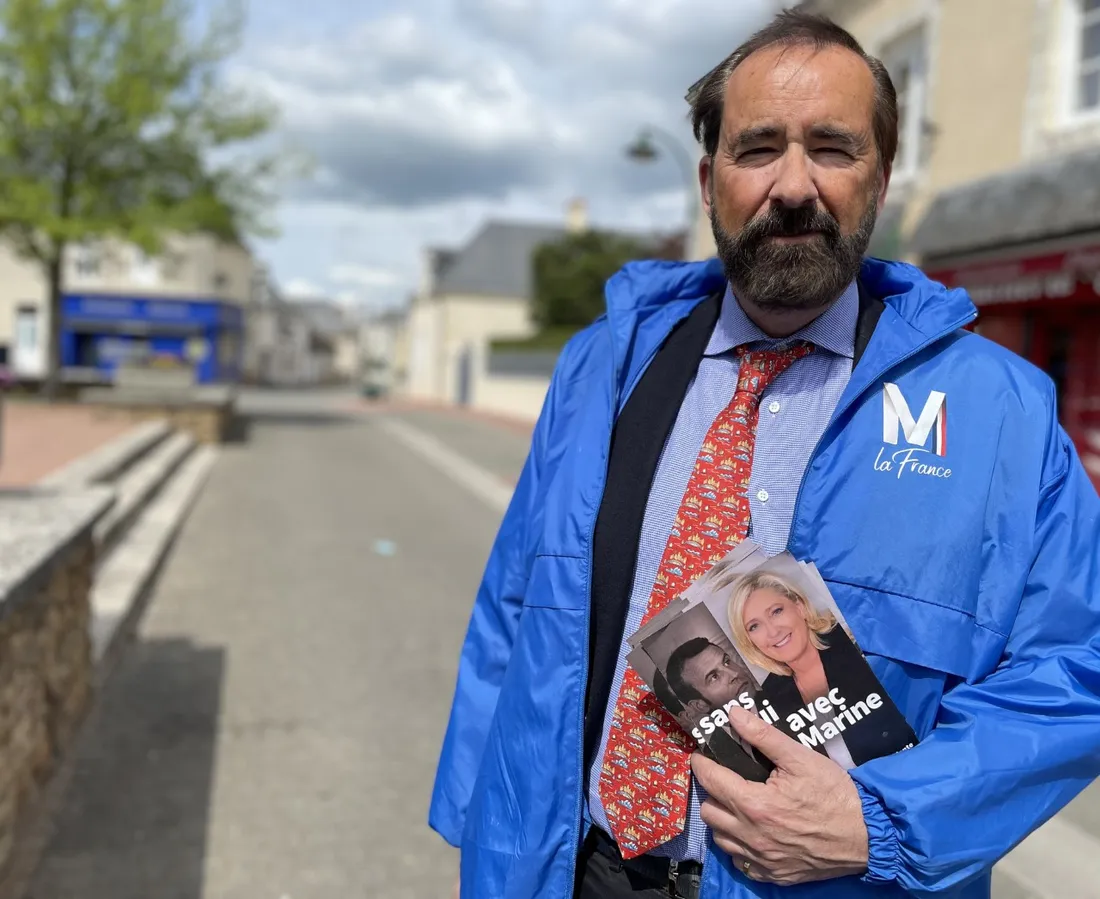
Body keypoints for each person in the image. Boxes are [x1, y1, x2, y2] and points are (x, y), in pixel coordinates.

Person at [430, 9, 1100, 899]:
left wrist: (885, 820)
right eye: (758, 149)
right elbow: (514, 610)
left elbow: (1074, 666)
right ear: (708, 180)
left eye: (832, 147)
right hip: (577, 867)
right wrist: (486, 834)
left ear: (882, 178)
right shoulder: (603, 362)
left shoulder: (1000, 410)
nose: (793, 185)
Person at [727, 570, 914, 769]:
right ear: (749, 641)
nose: (773, 632)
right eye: (754, 626)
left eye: (776, 611)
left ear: (799, 607)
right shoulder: (769, 696)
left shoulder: (855, 644)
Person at [663, 636, 771, 781]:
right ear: (700, 705)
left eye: (727, 662)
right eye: (714, 677)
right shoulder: (712, 754)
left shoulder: (792, 691)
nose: (734, 674)